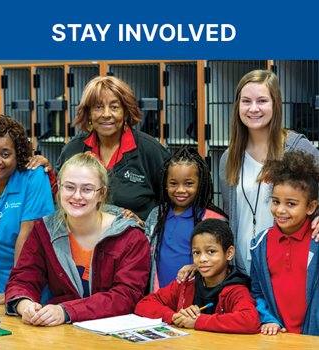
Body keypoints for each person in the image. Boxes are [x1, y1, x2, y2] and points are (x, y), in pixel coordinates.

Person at [5, 152, 151, 326]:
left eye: (87, 189)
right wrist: (25, 305)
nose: (77, 196)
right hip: (63, 334)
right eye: (69, 187)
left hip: (115, 335)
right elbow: (23, 278)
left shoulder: (130, 237)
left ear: (101, 194)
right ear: (59, 188)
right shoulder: (44, 230)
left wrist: (66, 311)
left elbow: (126, 296)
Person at [219, 69, 319, 274]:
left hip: (289, 270)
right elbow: (231, 216)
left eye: (262, 101)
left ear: (275, 104)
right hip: (242, 270)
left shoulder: (297, 147)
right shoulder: (228, 158)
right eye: (246, 101)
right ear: (238, 105)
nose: (253, 108)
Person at [55, 75, 170, 220]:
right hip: (83, 238)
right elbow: (57, 196)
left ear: (126, 112)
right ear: (88, 113)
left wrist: (148, 225)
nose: (106, 114)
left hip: (137, 238)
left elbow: (174, 201)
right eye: (98, 107)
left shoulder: (150, 150)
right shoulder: (73, 149)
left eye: (114, 107)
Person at [0, 114, 54, 304]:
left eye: (5, 154)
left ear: (19, 156)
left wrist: (16, 292)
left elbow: (28, 237)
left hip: (33, 283)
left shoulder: (33, 177)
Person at [135, 219, 260, 334]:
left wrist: (197, 321)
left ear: (229, 253)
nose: (202, 259)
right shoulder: (187, 282)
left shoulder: (236, 289)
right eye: (196, 252)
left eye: (211, 251)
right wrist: (174, 316)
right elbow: (144, 304)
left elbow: (250, 320)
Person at [250, 151, 319, 336]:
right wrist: (268, 319)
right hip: (278, 338)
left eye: (291, 204)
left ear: (311, 207)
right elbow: (257, 293)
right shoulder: (259, 245)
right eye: (275, 201)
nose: (280, 210)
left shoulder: (317, 241)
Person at [145, 146, 227, 291]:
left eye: (188, 183)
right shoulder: (157, 215)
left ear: (201, 183)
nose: (180, 190)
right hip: (160, 298)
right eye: (173, 183)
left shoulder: (213, 220)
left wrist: (198, 266)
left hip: (196, 301)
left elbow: (223, 261)